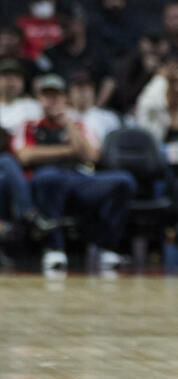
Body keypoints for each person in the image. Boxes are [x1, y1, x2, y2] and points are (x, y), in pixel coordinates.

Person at [12, 74, 135, 271]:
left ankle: (106, 247)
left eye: (56, 96)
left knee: (123, 181)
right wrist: (68, 151)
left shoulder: (77, 124)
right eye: (46, 96)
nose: (51, 101)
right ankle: (54, 248)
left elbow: (91, 156)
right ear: (39, 99)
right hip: (44, 180)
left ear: (65, 99)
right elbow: (25, 156)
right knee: (49, 177)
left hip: (79, 178)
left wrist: (67, 123)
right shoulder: (29, 125)